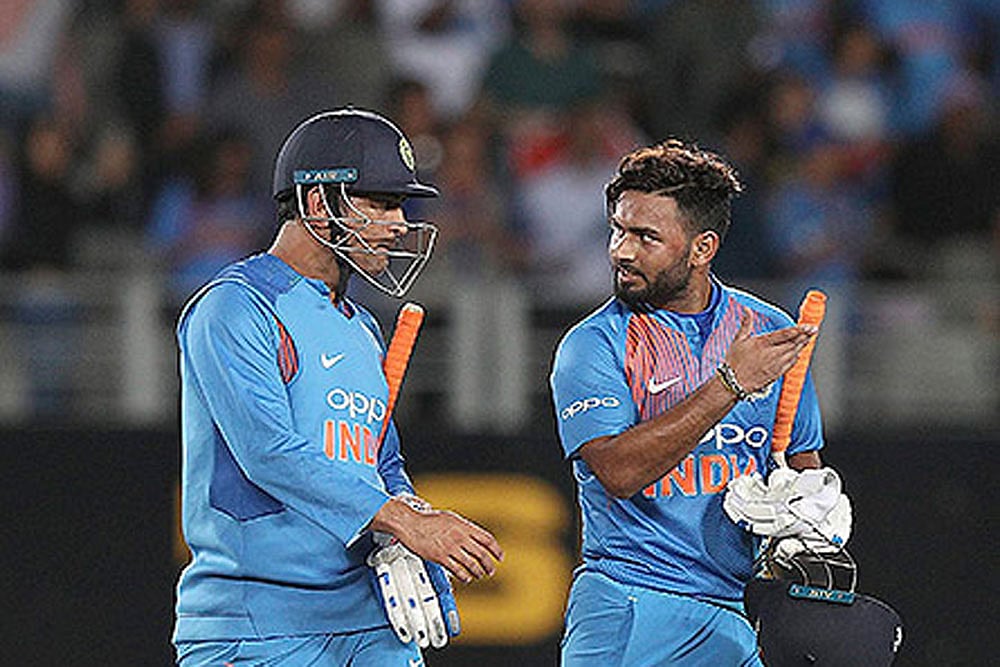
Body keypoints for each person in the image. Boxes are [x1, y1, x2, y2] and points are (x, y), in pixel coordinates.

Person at [172, 108, 503, 666]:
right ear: (318, 203)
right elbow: (269, 452)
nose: (399, 223)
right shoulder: (235, 306)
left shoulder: (362, 327)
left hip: (366, 617)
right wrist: (404, 521)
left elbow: (381, 461)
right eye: (382, 202)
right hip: (259, 625)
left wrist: (403, 526)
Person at [549, 139, 851, 665]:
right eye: (618, 230)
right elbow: (618, 471)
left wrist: (813, 517)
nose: (622, 251)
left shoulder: (769, 329)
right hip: (631, 603)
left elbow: (801, 459)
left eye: (646, 237)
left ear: (702, 248)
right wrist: (729, 385)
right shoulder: (592, 345)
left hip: (739, 614)